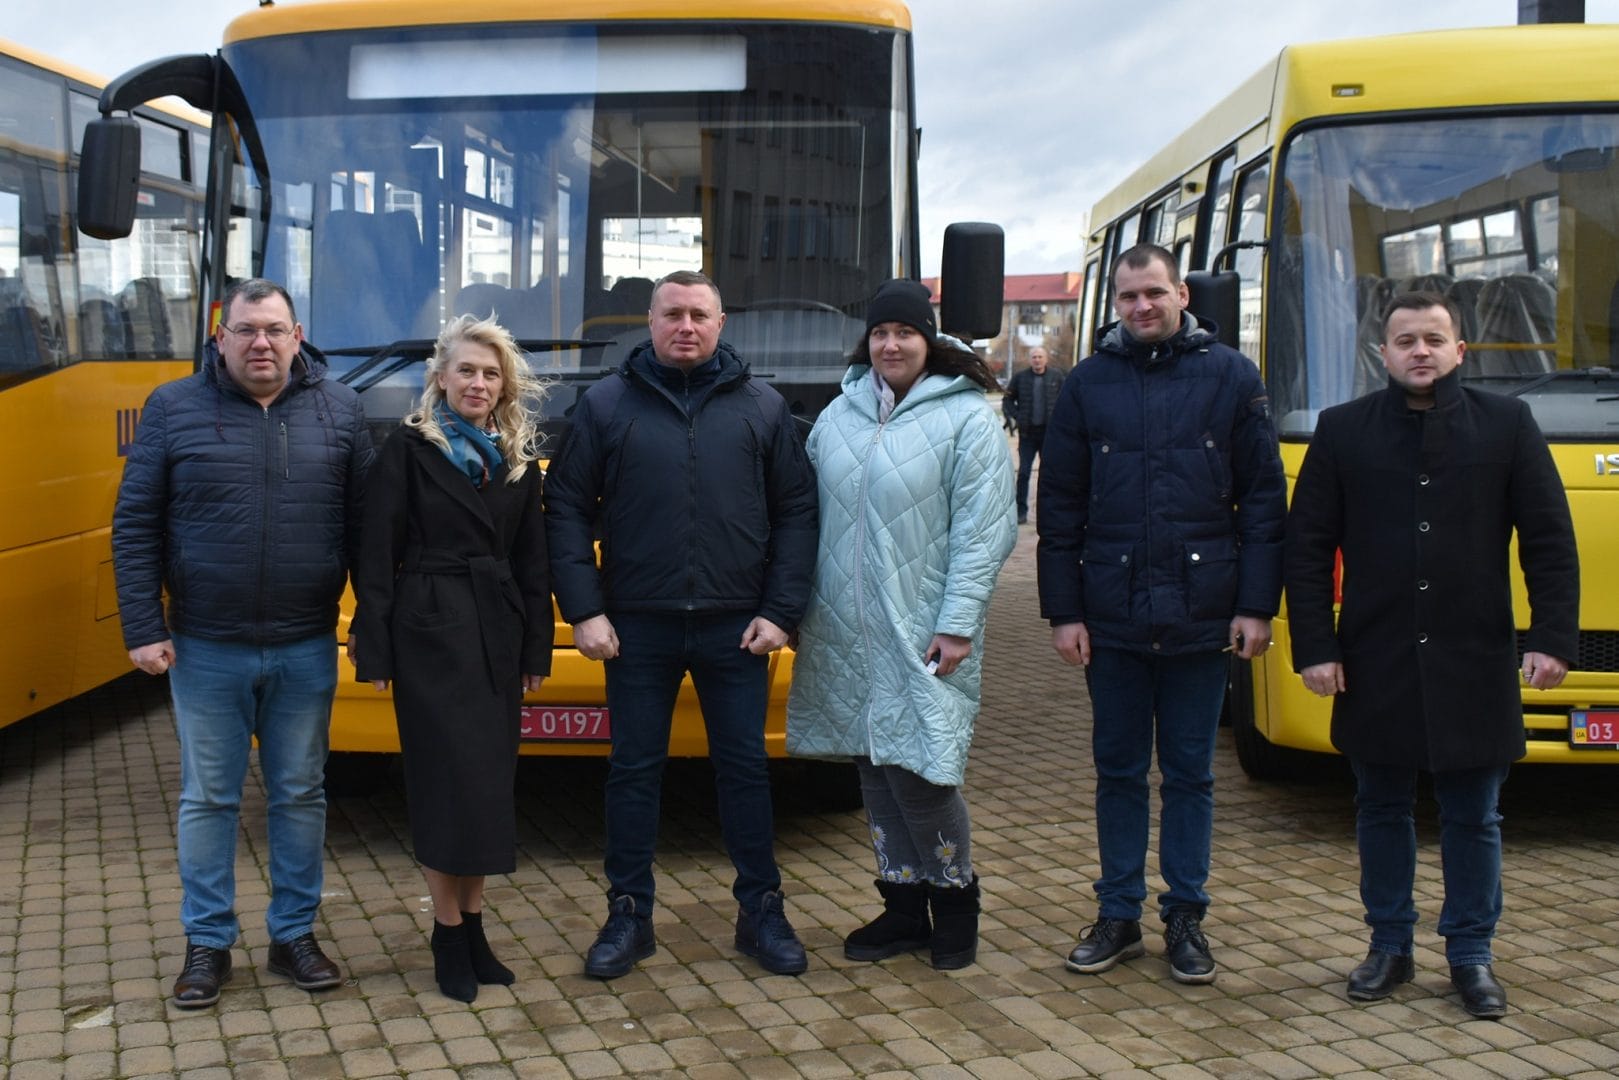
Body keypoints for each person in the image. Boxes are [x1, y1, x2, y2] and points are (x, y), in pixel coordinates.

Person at [1284, 291, 1578, 1019]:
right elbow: (1307, 548)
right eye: (1405, 340)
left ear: (1458, 352)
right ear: (1381, 354)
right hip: (1373, 654)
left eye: (1433, 339)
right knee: (1379, 807)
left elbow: (1548, 540)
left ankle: (1470, 955)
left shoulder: (1506, 425)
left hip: (1474, 656)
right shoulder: (1342, 430)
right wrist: (1314, 646)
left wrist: (1550, 637)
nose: (1419, 350)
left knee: (1472, 816)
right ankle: (1388, 944)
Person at [544, 269, 818, 979]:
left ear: (721, 325)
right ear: (652, 322)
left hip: (738, 630)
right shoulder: (605, 406)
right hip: (634, 628)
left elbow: (796, 514)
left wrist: (779, 612)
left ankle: (762, 912)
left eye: (699, 314)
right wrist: (585, 611)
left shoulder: (761, 409)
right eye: (672, 315)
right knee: (633, 774)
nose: (686, 326)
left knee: (745, 774)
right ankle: (628, 916)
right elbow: (565, 509)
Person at [112, 278, 373, 1008]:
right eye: (246, 330)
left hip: (304, 645)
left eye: (275, 330)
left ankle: (293, 936)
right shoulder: (173, 408)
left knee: (299, 792)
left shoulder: (342, 409)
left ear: (298, 337)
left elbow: (367, 534)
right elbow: (135, 525)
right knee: (209, 799)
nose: (262, 343)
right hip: (204, 645)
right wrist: (143, 628)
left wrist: (374, 627)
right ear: (219, 337)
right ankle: (207, 944)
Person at [1037, 243, 1286, 985]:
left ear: (1181, 292)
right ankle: (1117, 913)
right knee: (1116, 770)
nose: (1141, 307)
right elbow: (1059, 510)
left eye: (1153, 292)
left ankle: (1185, 917)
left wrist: (1254, 607)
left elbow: (1264, 504)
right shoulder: (1085, 386)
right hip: (1109, 616)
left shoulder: (1233, 378)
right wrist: (1062, 612)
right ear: (1114, 304)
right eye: (1127, 297)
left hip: (1201, 613)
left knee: (1188, 774)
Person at [787, 279, 1017, 970]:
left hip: (923, 631)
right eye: (881, 333)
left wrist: (956, 623)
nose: (891, 344)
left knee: (922, 773)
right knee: (874, 768)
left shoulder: (967, 420)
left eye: (905, 333)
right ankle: (900, 907)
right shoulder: (840, 414)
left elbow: (984, 533)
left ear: (928, 340)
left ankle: (954, 905)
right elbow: (806, 516)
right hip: (844, 628)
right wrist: (797, 607)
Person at [350, 315, 554, 1002]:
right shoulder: (407, 450)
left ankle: (473, 927)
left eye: (490, 373)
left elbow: (533, 561)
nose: (478, 382)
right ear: (440, 377)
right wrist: (371, 644)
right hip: (430, 634)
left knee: (488, 788)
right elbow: (375, 553)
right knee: (445, 786)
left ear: (504, 386)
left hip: (497, 634)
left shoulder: (516, 456)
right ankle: (445, 932)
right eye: (466, 369)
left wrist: (537, 648)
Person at [1002, 345, 1066, 524]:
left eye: (1040, 356)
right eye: (1034, 357)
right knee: (1023, 473)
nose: (1037, 360)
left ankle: (1049, 511)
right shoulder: (1020, 378)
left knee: (1050, 474)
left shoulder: (1056, 377)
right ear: (1030, 360)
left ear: (1046, 359)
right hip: (1027, 434)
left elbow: (1067, 400)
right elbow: (1007, 399)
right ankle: (1021, 511)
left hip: (1049, 435)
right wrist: (1017, 416)